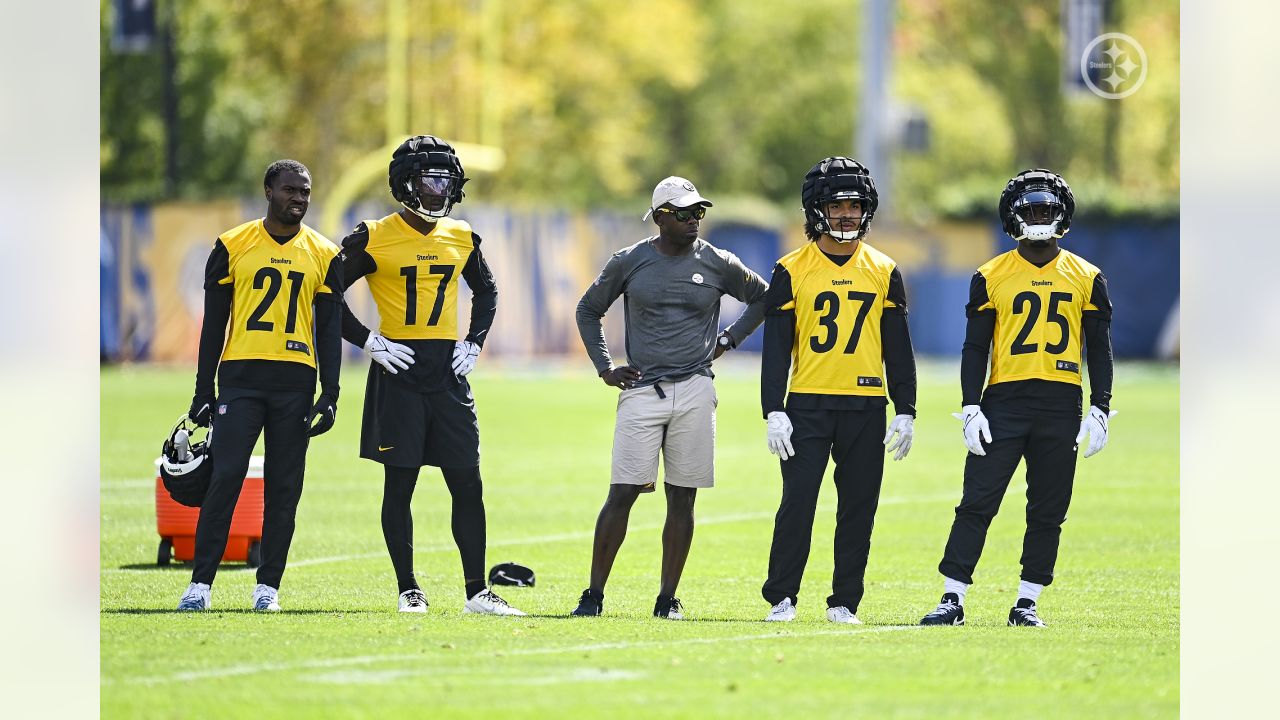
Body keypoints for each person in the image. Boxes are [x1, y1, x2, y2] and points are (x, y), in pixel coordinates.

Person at [919, 168, 1115, 628]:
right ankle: (953, 598)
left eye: (1046, 208)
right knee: (977, 502)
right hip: (1003, 400)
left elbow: (1099, 349)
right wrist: (970, 405)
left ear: (1061, 214)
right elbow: (976, 347)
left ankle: (1027, 601)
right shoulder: (991, 274)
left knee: (1048, 509)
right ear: (1014, 216)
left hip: (1061, 402)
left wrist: (1101, 406)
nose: (1039, 216)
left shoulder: (1087, 276)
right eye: (1031, 209)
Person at [336, 135, 522, 616]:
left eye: (445, 178)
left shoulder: (461, 236)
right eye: (430, 177)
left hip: (448, 373)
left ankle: (477, 591)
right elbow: (325, 294)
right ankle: (407, 588)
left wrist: (474, 342)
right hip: (397, 370)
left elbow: (488, 290)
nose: (440, 187)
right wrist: (368, 341)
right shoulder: (373, 235)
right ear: (405, 183)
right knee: (401, 486)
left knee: (468, 482)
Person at [571, 176, 769, 620]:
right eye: (683, 213)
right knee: (622, 493)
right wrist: (605, 368)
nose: (693, 220)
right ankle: (593, 595)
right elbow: (588, 309)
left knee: (683, 498)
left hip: (697, 388)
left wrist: (730, 339)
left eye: (698, 211)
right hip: (642, 391)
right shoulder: (629, 261)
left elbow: (764, 298)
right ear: (660, 216)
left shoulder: (718, 261)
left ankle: (667, 599)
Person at [177, 159, 343, 612]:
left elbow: (329, 329)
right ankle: (200, 586)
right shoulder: (232, 245)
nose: (299, 199)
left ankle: (267, 587)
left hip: (295, 383)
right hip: (241, 380)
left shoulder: (325, 254)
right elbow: (214, 323)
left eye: (306, 192)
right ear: (268, 190)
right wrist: (202, 390)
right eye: (291, 190)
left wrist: (331, 393)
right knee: (225, 477)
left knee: (284, 488)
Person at [759, 157, 918, 625]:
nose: (847, 214)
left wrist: (906, 408)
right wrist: (773, 409)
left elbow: (898, 347)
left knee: (858, 508)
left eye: (854, 205)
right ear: (817, 210)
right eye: (837, 205)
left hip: (866, 405)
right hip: (807, 403)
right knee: (798, 502)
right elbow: (776, 348)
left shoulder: (884, 269)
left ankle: (845, 600)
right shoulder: (791, 269)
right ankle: (782, 596)